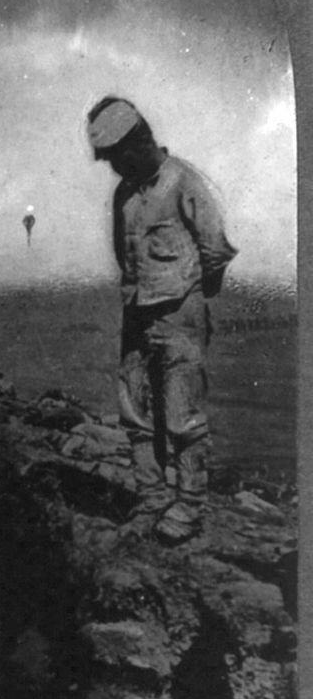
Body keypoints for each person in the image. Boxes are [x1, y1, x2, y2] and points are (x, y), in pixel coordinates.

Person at [87, 96, 237, 545]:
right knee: (134, 411)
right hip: (137, 312)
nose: (112, 166)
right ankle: (151, 498)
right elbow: (124, 255)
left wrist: (188, 299)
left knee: (182, 416)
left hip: (179, 316)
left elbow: (215, 250)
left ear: (138, 143)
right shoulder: (124, 195)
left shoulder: (184, 182)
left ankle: (189, 506)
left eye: (115, 156)